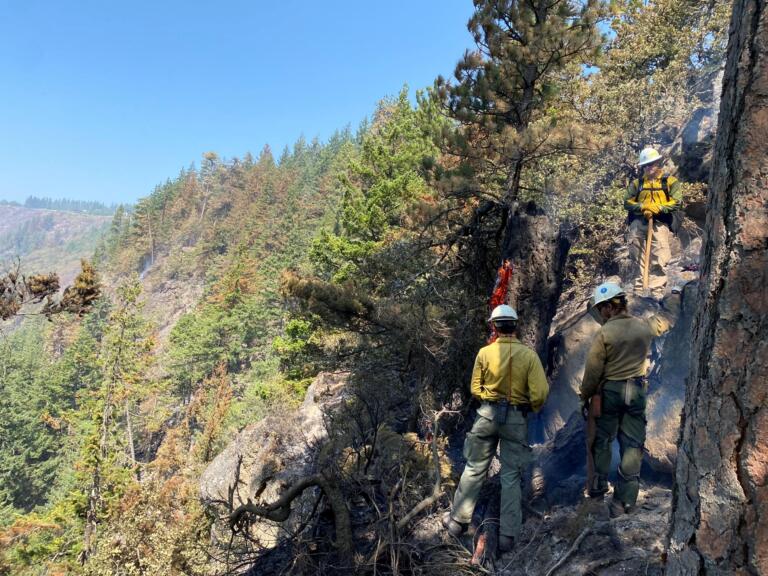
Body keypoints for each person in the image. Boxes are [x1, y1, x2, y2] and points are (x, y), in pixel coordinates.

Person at [443, 304, 549, 552]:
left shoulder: (484, 353)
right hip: (515, 419)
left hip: (486, 416)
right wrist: (526, 408)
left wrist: (489, 401)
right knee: (511, 476)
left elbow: (475, 388)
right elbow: (540, 393)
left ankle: (457, 522)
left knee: (474, 468)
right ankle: (507, 537)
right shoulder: (529, 356)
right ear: (515, 326)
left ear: (495, 326)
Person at [580, 282, 680, 517]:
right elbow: (664, 321)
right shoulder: (642, 327)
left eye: (600, 309)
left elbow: (592, 372)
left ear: (607, 308)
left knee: (602, 442)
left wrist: (584, 397)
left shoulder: (604, 334)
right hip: (636, 393)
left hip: (609, 393)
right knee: (633, 446)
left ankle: (597, 492)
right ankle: (624, 503)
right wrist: (675, 298)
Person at [624, 147, 683, 299]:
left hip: (659, 223)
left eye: (652, 164)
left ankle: (656, 294)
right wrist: (643, 206)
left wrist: (658, 208)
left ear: (658, 162)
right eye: (646, 165)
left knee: (660, 257)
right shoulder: (637, 184)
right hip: (638, 223)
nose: (649, 167)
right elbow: (627, 203)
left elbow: (677, 203)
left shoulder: (670, 182)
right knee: (637, 257)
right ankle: (638, 293)